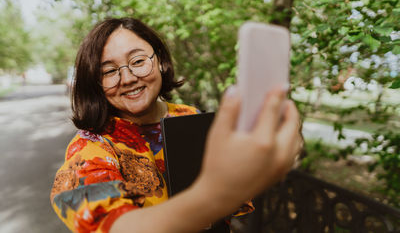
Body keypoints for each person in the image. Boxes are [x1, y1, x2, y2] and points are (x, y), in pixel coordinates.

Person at [50, 17, 302, 233]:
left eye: (138, 61)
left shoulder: (191, 116)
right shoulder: (90, 147)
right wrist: (213, 195)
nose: (127, 78)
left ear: (159, 60)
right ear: (95, 83)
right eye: (109, 71)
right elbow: (114, 226)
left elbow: (238, 186)